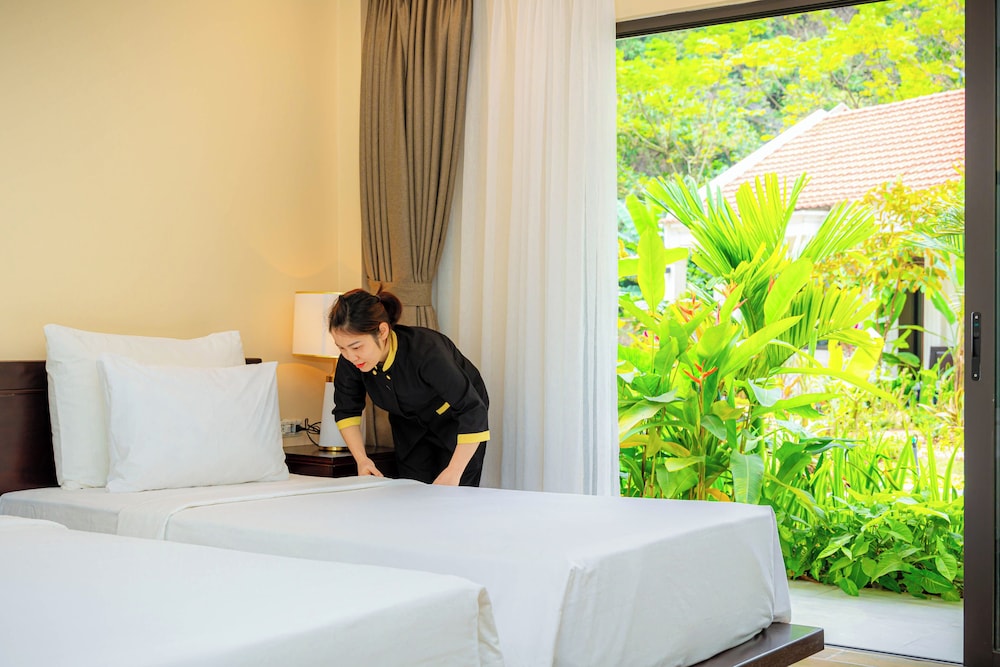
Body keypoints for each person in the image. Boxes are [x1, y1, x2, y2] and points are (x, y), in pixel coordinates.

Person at [327, 288, 489, 486]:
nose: (350, 356)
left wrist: (454, 471)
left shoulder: (425, 351)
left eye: (356, 346)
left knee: (454, 492)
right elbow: (346, 411)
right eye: (341, 348)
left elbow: (472, 409)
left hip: (454, 420)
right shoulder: (351, 361)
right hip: (409, 424)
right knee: (411, 490)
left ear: (382, 331)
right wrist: (362, 460)